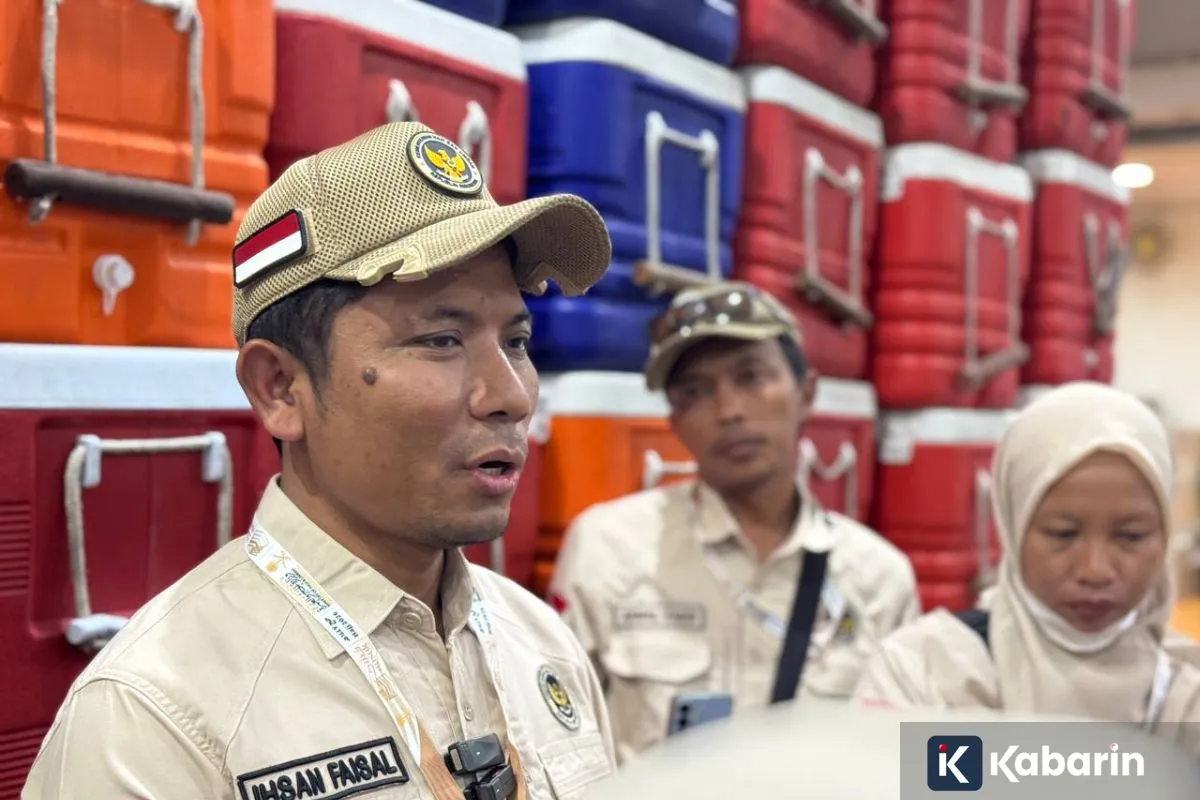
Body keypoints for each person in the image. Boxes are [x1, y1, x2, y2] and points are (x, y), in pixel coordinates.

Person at [22, 122, 619, 799]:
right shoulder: (152, 717)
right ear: (280, 388)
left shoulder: (542, 642)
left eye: (516, 341)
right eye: (441, 339)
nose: (511, 396)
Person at [547, 281, 920, 763]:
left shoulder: (879, 580)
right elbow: (559, 746)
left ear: (806, 393)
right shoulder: (608, 548)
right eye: (696, 391)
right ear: (674, 419)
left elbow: (902, 762)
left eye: (751, 377)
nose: (729, 411)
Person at [853, 382, 1200, 753]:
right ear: (1012, 526)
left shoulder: (1184, 696)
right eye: (1063, 534)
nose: (1095, 571)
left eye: (1130, 536)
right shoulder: (924, 673)